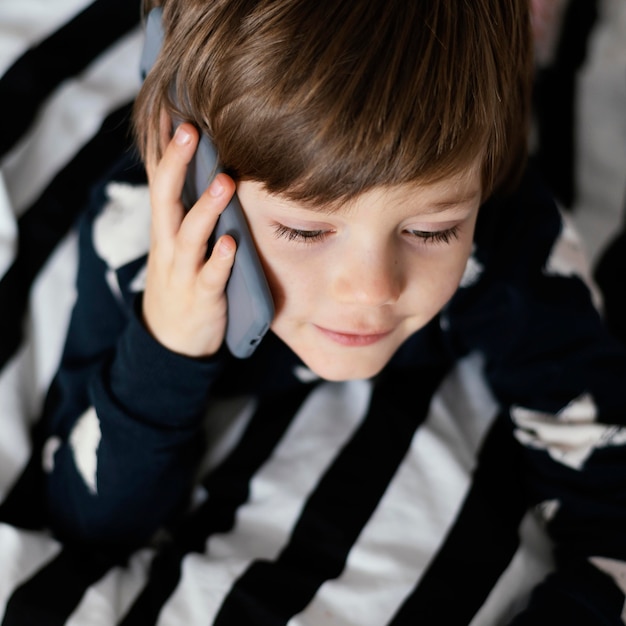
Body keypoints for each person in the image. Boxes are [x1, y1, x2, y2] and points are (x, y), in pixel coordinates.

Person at [39, 0, 626, 623]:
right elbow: (89, 516)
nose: (371, 290)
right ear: (199, 172)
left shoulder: (508, 238)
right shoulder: (140, 240)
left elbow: (612, 507)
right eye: (303, 230)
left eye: (431, 232)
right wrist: (166, 346)